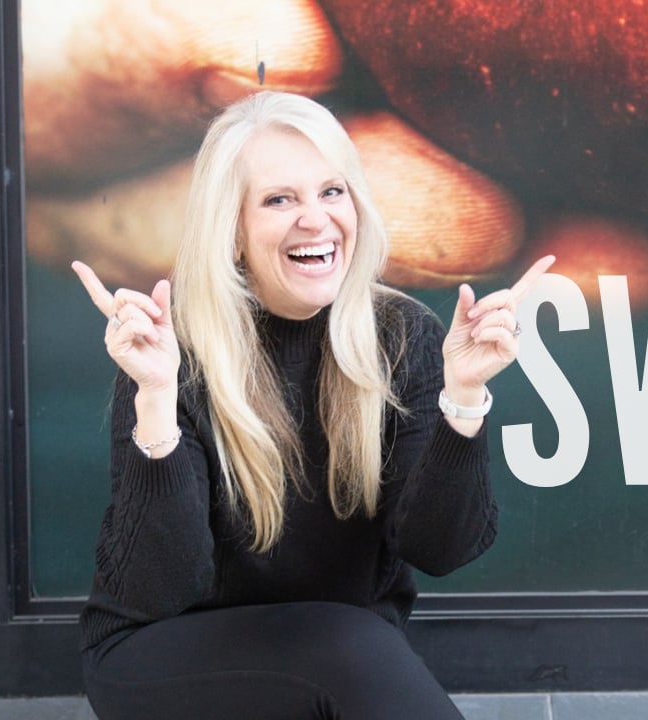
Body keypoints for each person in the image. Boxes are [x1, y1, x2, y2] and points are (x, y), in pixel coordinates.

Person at [71, 90, 555, 720]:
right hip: (166, 652)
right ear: (233, 231)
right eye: (279, 200)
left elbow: (441, 550)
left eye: (332, 191)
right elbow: (159, 587)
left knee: (353, 645)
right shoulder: (174, 351)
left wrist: (463, 400)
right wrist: (158, 399)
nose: (316, 219)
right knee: (353, 646)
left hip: (340, 656)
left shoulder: (403, 337)